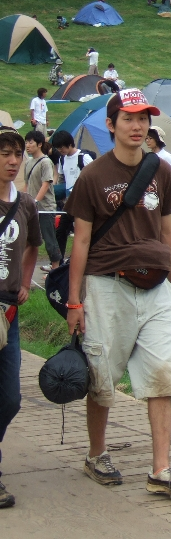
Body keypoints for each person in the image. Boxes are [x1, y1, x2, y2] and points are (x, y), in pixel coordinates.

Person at [64, 89, 171, 497]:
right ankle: (97, 454)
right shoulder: (93, 177)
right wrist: (75, 301)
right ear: (111, 124)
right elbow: (80, 242)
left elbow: (168, 230)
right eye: (129, 119)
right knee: (102, 376)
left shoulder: (158, 171)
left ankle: (161, 469)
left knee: (164, 373)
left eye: (144, 119)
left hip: (156, 285)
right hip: (108, 284)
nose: (138, 126)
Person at [0, 128, 41, 509]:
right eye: (5, 154)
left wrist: (26, 281)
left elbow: (33, 247)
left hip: (8, 312)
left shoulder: (26, 204)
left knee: (10, 399)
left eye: (17, 155)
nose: (13, 161)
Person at [52, 130, 93, 262]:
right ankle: (58, 262)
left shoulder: (83, 157)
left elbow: (95, 178)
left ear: (70, 144)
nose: (60, 150)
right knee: (61, 231)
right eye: (58, 148)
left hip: (84, 203)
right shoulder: (62, 159)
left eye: (62, 147)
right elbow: (62, 179)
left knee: (82, 233)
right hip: (69, 202)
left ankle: (82, 259)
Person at [24, 131, 61, 272]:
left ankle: (56, 269)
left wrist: (34, 201)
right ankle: (24, 268)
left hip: (45, 207)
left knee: (49, 239)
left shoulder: (45, 162)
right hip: (31, 208)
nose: (28, 145)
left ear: (39, 144)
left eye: (31, 142)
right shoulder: (28, 162)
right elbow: (27, 184)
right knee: (27, 239)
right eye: (26, 142)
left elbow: (46, 184)